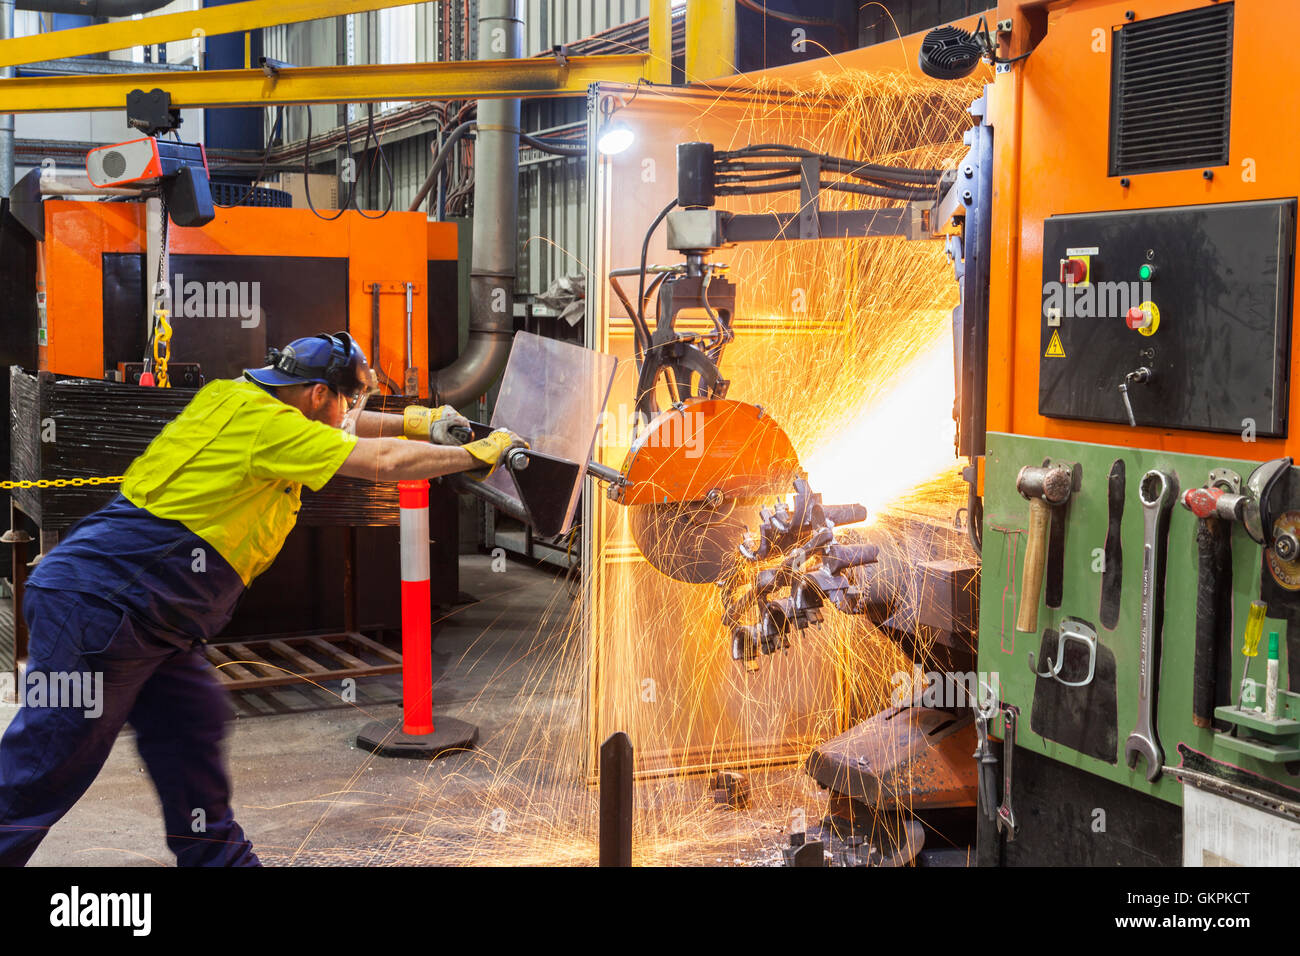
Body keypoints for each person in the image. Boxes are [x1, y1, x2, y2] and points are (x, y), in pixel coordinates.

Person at [0, 332, 522, 866]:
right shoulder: (273, 432)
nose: (351, 411)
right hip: (105, 607)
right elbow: (382, 461)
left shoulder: (233, 396)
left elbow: (352, 429)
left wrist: (416, 421)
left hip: (156, 622)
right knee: (45, 766)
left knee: (192, 737)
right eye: (349, 398)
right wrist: (469, 456)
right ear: (319, 393)